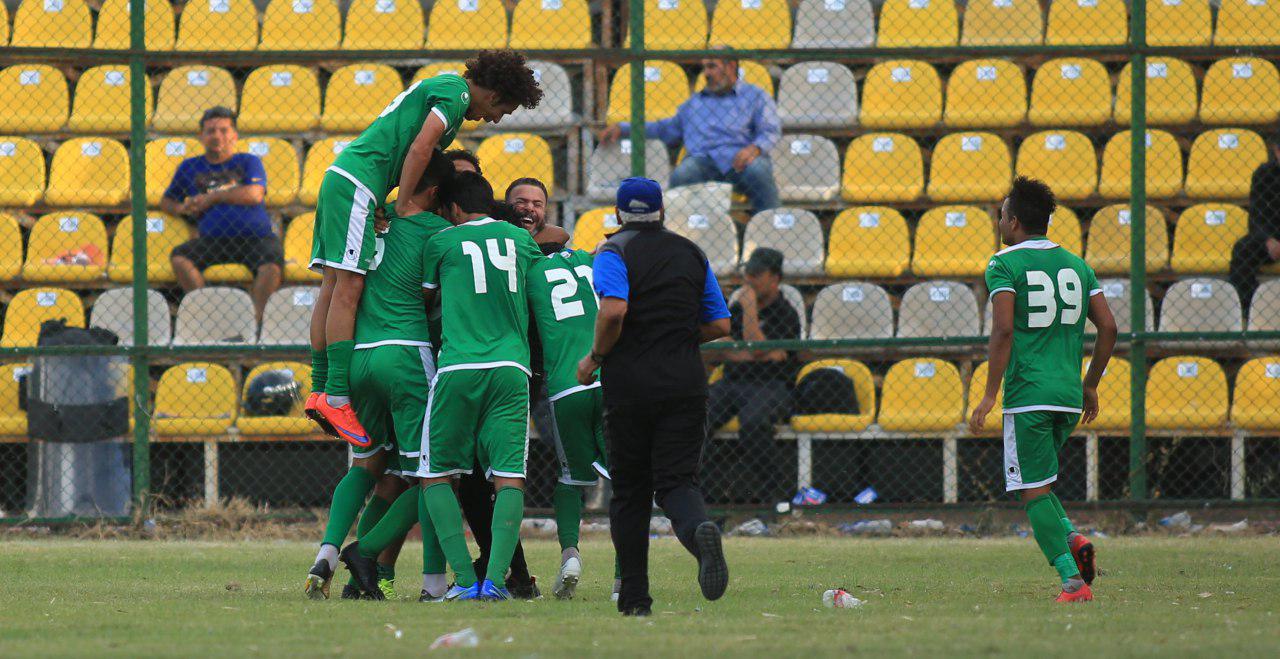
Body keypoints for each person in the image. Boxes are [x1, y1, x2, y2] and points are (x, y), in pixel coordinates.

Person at [305, 50, 543, 449]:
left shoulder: (444, 86)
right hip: (358, 184)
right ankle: (336, 396)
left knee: (332, 285)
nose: (498, 118)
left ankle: (319, 388)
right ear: (495, 91)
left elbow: (401, 141)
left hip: (351, 180)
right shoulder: (456, 96)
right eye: (504, 107)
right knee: (347, 288)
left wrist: (381, 197)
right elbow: (418, 149)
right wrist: (401, 205)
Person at [577, 177, 732, 616]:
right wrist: (677, 334)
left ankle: (635, 600)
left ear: (619, 214)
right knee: (678, 483)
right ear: (662, 211)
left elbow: (613, 310)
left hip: (630, 388)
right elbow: (721, 325)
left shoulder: (613, 251)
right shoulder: (691, 253)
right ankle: (700, 528)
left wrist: (594, 357)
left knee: (629, 493)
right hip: (686, 384)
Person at [304, 148, 454, 601]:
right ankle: (422, 580)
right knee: (432, 475)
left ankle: (328, 555)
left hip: (355, 358)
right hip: (406, 354)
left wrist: (323, 377)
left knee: (369, 465)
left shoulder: (365, 221)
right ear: (434, 192)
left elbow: (329, 299)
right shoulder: (438, 230)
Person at [386, 172, 542, 602]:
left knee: (434, 474)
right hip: (512, 367)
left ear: (453, 210)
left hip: (458, 367)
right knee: (509, 477)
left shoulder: (442, 242)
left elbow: (425, 300)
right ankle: (495, 582)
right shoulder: (518, 238)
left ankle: (463, 580)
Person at [969, 176, 1118, 604]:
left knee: (1031, 491)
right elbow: (1108, 327)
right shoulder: (1077, 265)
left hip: (1029, 394)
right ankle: (1073, 540)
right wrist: (1090, 385)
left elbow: (1002, 332)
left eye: (1001, 214)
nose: (999, 221)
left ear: (1013, 222)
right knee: (1042, 483)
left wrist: (989, 394)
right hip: (1068, 395)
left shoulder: (1003, 264)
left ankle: (1072, 581)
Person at [524, 211, 613, 600]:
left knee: (570, 480)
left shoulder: (527, 275)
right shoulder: (588, 262)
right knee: (623, 479)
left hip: (564, 385)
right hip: (608, 379)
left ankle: (570, 554)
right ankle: (625, 577)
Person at [598, 50, 781, 213]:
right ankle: (680, 235)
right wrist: (623, 128)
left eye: (712, 67)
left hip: (742, 159)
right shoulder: (693, 104)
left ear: (731, 66)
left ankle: (770, 233)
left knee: (760, 172)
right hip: (702, 161)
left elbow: (770, 129)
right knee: (682, 175)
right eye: (704, 68)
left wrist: (754, 149)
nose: (706, 73)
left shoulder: (755, 96)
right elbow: (663, 129)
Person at [161, 106, 282, 324]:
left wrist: (212, 198)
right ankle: (209, 317)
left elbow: (254, 195)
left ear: (234, 135)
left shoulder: (248, 161)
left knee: (271, 267)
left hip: (255, 239)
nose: (217, 135)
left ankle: (254, 323)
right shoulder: (189, 167)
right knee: (180, 258)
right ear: (201, 136)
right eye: (211, 131)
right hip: (213, 240)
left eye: (224, 130)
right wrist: (181, 209)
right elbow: (167, 200)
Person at [705, 247, 801, 503]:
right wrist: (749, 351)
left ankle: (773, 495)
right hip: (732, 382)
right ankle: (710, 499)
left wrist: (749, 313)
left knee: (753, 422)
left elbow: (755, 347)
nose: (749, 280)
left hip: (772, 385)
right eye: (748, 273)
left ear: (775, 277)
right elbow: (721, 346)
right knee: (695, 418)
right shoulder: (736, 308)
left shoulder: (786, 313)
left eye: (757, 274)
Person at [1229, 134, 1280, 312]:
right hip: (1270, 236)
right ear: (1275, 151)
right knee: (1242, 250)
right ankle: (1250, 310)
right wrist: (1267, 239)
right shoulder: (1263, 174)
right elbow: (1256, 216)